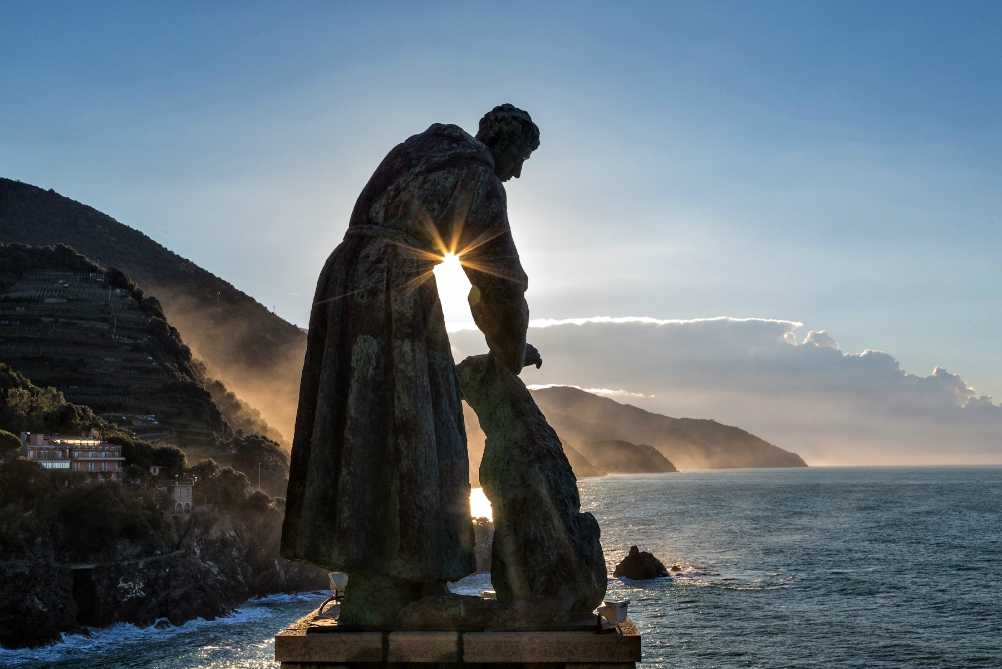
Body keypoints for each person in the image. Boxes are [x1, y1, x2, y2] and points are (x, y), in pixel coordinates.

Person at [281, 104, 540, 625]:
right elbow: (499, 278)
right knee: (421, 422)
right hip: (393, 287)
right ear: (504, 143)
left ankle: (394, 576)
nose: (517, 172)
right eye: (522, 157)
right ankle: (400, 577)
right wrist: (512, 350)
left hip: (344, 276)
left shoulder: (423, 149)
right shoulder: (480, 178)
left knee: (362, 419)